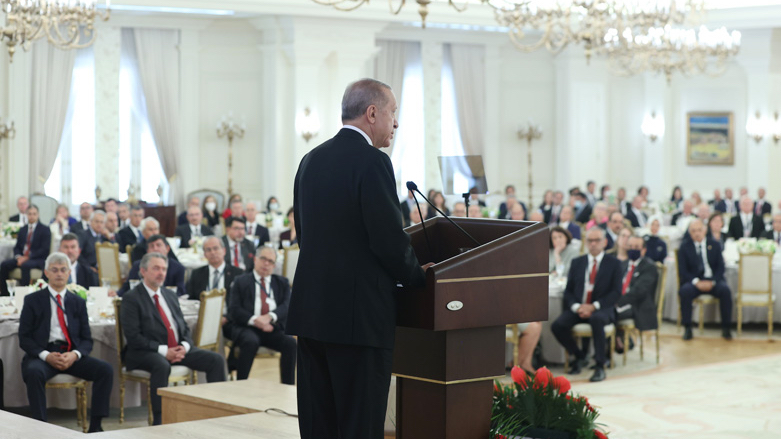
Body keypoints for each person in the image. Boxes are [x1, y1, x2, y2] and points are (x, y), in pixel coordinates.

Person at [288, 78, 428, 439]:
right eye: (393, 113)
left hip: (312, 315)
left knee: (320, 426)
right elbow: (386, 240)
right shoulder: (373, 162)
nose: (396, 123)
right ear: (371, 113)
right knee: (359, 427)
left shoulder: (310, 159)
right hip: (359, 322)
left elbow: (304, 233)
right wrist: (418, 278)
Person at [119, 252, 226, 425]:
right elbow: (133, 337)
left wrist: (184, 346)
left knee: (216, 360)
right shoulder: (131, 298)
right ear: (143, 271)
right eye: (156, 268)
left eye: (164, 269)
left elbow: (183, 328)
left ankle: (219, 411)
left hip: (176, 349)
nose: (161, 273)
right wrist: (164, 351)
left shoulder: (169, 295)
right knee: (161, 364)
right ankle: (160, 420)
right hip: (144, 352)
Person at [18, 252, 113, 432]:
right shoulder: (32, 300)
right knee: (33, 372)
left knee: (105, 370)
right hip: (43, 354)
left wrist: (75, 355)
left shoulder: (77, 301)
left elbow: (86, 339)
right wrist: (46, 356)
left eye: (63, 270)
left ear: (69, 273)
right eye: (54, 270)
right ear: (46, 273)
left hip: (70, 353)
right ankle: (40, 426)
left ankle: (95, 426)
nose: (59, 274)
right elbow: (24, 338)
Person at [551, 227, 622, 382]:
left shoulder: (614, 264)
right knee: (557, 326)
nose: (593, 244)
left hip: (601, 308)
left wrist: (594, 306)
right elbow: (568, 291)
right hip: (579, 306)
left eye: (597, 240)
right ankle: (580, 355)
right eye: (590, 240)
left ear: (604, 242)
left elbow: (616, 292)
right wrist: (577, 307)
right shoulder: (578, 262)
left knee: (596, 320)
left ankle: (599, 366)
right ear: (586, 242)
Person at [228, 246, 296, 383]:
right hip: (248, 327)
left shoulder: (281, 282)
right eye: (263, 259)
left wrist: (270, 317)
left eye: (270, 261)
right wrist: (256, 321)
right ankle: (241, 383)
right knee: (250, 341)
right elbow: (234, 309)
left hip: (272, 327)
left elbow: (287, 306)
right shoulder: (241, 281)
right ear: (255, 259)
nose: (266, 264)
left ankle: (288, 385)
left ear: (274, 265)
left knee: (290, 343)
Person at [678, 219, 732, 341]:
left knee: (725, 291)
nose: (697, 233)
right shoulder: (685, 247)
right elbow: (683, 271)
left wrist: (712, 281)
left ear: (705, 230)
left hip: (712, 281)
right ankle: (687, 328)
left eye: (699, 230)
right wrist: (696, 282)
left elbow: (720, 268)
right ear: (690, 233)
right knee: (684, 291)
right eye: (693, 231)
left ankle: (726, 327)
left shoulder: (715, 244)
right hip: (694, 282)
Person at [614, 235, 659, 353]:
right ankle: (616, 340)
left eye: (637, 247)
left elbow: (639, 291)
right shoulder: (622, 264)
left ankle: (614, 343)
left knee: (609, 313)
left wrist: (617, 302)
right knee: (602, 313)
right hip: (620, 302)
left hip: (638, 306)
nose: (633, 249)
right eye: (631, 246)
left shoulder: (649, 267)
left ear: (643, 250)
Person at [1, 205, 51, 295]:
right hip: (21, 258)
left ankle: (25, 294)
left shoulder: (45, 229)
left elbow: (44, 250)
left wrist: (27, 257)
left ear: (38, 215)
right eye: (30, 214)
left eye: (34, 214)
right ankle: (5, 294)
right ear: (26, 215)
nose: (32, 216)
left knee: (25, 265)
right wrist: (19, 257)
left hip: (37, 259)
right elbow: (17, 247)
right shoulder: (23, 229)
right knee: (4, 265)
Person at [118, 235, 187, 297]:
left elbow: (181, 292)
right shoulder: (138, 265)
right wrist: (116, 294)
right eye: (152, 246)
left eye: (158, 245)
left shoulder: (178, 268)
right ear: (147, 251)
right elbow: (126, 287)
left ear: (167, 249)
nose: (155, 249)